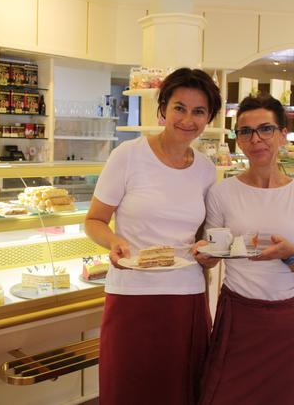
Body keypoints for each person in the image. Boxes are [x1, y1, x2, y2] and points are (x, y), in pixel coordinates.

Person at [85, 67, 222, 405]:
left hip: (186, 295)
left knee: (180, 390)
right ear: (163, 109)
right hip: (133, 293)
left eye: (198, 111)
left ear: (208, 118)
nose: (187, 119)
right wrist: (114, 242)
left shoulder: (206, 169)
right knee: (128, 388)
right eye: (179, 107)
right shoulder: (128, 156)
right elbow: (94, 220)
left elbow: (204, 234)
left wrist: (210, 252)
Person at [194, 95, 294, 405]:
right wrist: (206, 255)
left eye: (265, 129)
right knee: (220, 395)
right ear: (237, 139)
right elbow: (211, 260)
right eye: (245, 131)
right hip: (239, 314)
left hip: (284, 320)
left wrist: (290, 254)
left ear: (282, 134)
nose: (256, 139)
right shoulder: (222, 192)